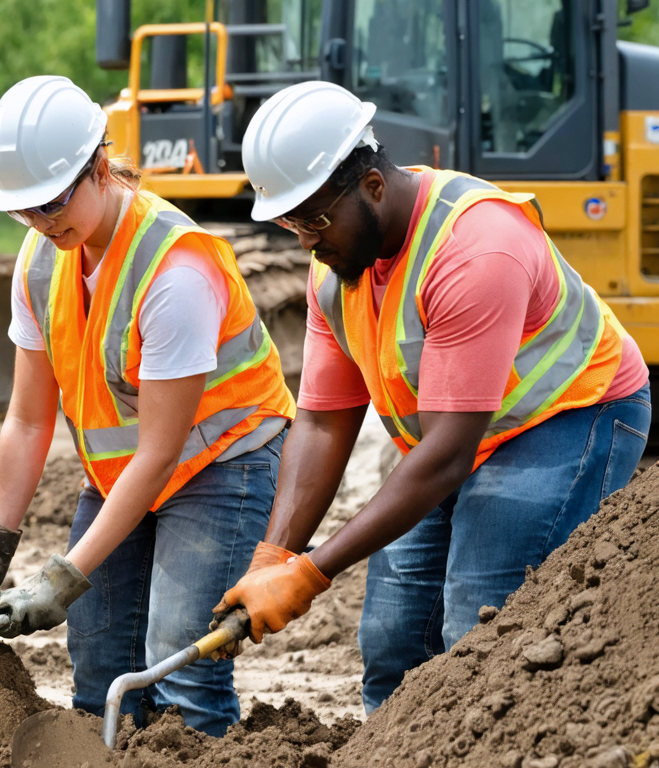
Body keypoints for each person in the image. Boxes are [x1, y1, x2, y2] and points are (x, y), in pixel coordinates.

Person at [215, 81, 651, 713]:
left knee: (482, 626)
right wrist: (274, 556)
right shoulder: (335, 266)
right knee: (393, 638)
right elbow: (322, 422)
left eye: (313, 219)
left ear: (372, 187)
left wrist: (309, 574)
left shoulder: (474, 248)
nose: (304, 240)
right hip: (455, 435)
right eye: (289, 222)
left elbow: (446, 456)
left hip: (572, 416)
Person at [0, 75, 297, 736]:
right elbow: (29, 418)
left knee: (180, 664)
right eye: (24, 210)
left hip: (219, 464)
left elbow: (158, 453)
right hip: (122, 475)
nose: (40, 223)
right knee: (98, 663)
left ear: (99, 168)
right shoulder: (40, 262)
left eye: (52, 203)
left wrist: (62, 578)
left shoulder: (174, 271)